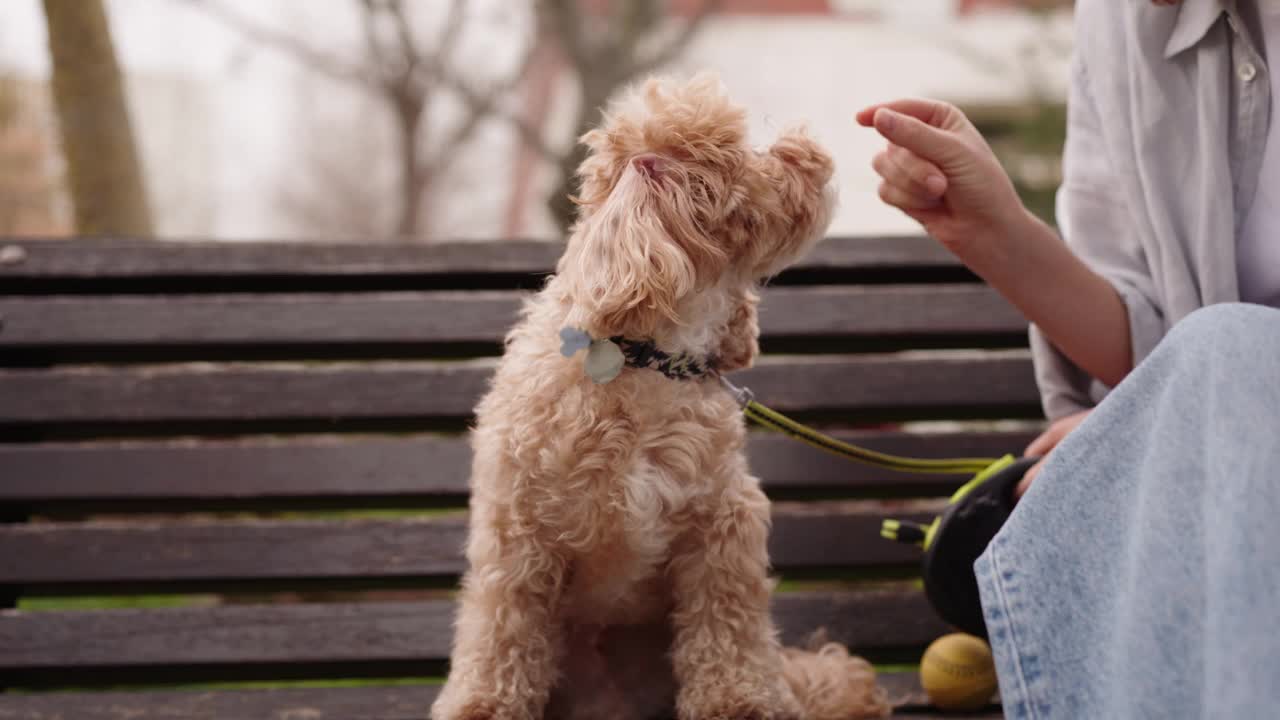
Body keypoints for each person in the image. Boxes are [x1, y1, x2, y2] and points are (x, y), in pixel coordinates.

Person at [858, 0, 1280, 717]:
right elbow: (1148, 350)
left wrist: (1171, 423)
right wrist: (990, 231)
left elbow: (1206, 362)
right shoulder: (1117, 19)